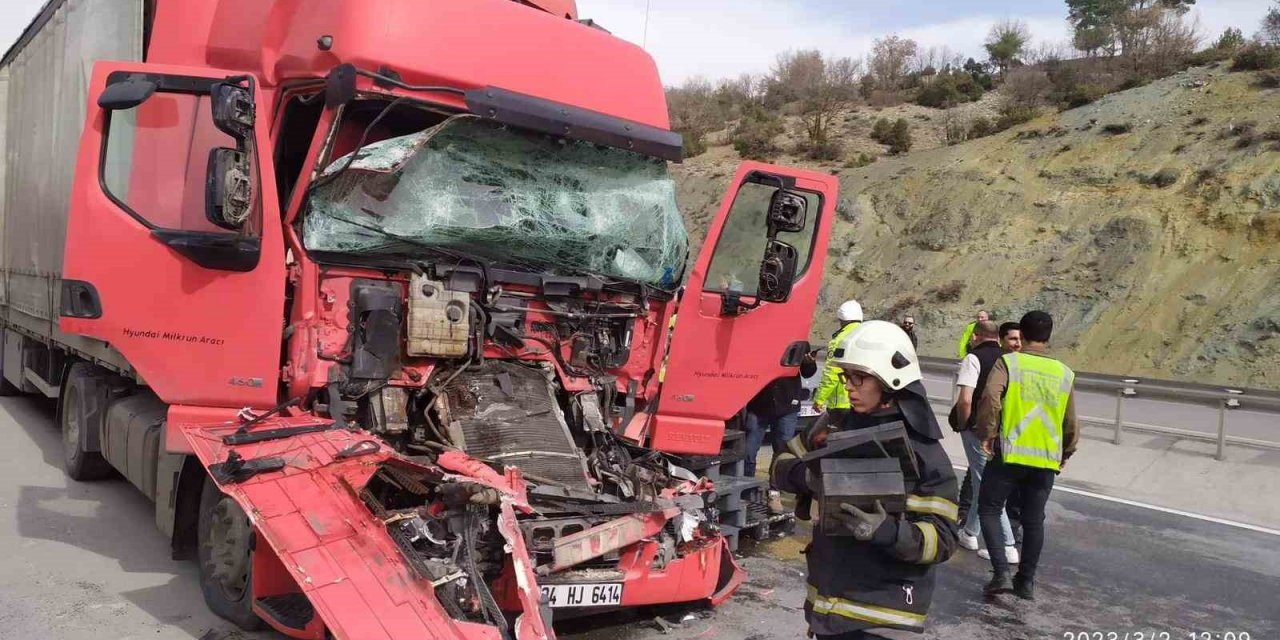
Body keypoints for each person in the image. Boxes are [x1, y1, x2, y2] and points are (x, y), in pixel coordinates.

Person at [772, 321, 958, 639]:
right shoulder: (830, 426)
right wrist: (812, 477)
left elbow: (942, 540)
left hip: (882, 620)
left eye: (859, 378)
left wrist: (888, 532)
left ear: (890, 379)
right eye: (846, 377)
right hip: (829, 611)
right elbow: (780, 464)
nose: (848, 387)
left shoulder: (924, 453)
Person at [975, 311, 1078, 601]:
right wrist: (1066, 451)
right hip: (1045, 459)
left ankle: (1001, 574)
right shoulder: (1064, 373)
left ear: (1023, 332)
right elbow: (1071, 420)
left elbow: (990, 398)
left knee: (989, 509)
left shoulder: (1008, 362)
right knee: (1034, 520)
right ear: (1049, 336)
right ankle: (1026, 581)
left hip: (1009, 454)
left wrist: (988, 434)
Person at [952, 321, 1018, 563]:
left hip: (977, 430)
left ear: (976, 336)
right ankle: (970, 533)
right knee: (982, 480)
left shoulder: (973, 358)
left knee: (986, 487)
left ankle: (1007, 545)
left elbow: (965, 400)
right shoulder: (1009, 359)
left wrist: (963, 423)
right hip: (1001, 429)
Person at [743, 352, 818, 479]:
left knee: (782, 450)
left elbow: (807, 372)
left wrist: (809, 362)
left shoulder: (797, 340)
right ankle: (747, 487)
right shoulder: (757, 339)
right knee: (748, 451)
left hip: (787, 404)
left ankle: (775, 488)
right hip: (758, 404)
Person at [813, 299, 863, 423]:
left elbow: (832, 373)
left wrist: (820, 399)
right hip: (865, 400)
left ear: (842, 319)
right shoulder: (865, 335)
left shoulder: (840, 340)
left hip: (841, 402)